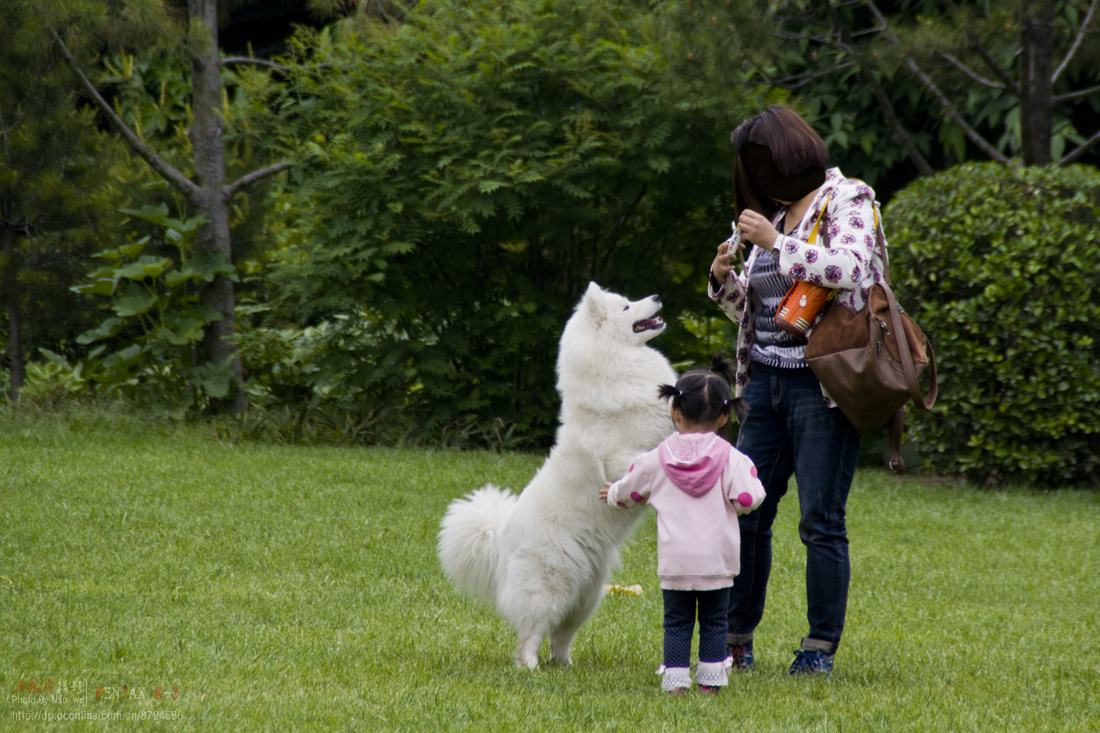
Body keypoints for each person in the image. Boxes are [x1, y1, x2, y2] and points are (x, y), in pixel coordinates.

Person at [708, 105, 886, 677]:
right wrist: (723, 281)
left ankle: (818, 648)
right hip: (764, 386)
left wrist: (776, 243)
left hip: (822, 391)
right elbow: (764, 312)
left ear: (786, 154)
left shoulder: (848, 199)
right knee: (747, 514)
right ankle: (736, 640)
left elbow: (856, 269)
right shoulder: (775, 213)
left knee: (820, 521)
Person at [599, 355, 766, 695]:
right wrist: (735, 504)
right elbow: (750, 497)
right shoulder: (732, 459)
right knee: (715, 621)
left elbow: (631, 487)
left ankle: (676, 682)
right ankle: (710, 682)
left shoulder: (657, 458)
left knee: (676, 623)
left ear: (675, 412)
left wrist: (613, 494)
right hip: (716, 561)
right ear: (723, 416)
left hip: (676, 562)